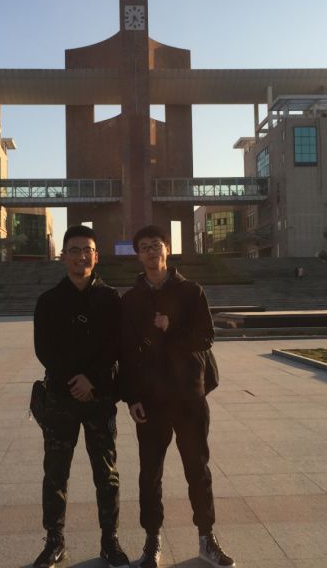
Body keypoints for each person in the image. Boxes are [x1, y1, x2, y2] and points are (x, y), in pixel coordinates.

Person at [120, 225, 235, 568]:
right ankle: (152, 540)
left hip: (188, 397)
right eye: (144, 247)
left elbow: (206, 337)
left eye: (156, 244)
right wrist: (131, 397)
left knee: (197, 469)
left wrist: (172, 328)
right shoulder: (130, 300)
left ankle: (207, 538)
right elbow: (125, 353)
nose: (151, 251)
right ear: (138, 256)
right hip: (150, 401)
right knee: (149, 474)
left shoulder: (191, 291)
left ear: (167, 249)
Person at [32, 225, 130, 568]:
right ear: (63, 256)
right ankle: (54, 541)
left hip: (99, 398)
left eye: (87, 250)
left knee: (107, 473)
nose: (81, 256)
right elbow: (44, 349)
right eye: (74, 250)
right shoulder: (48, 301)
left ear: (96, 256)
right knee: (55, 472)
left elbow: (116, 346)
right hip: (60, 398)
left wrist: (93, 380)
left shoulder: (110, 299)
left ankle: (110, 540)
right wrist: (74, 380)